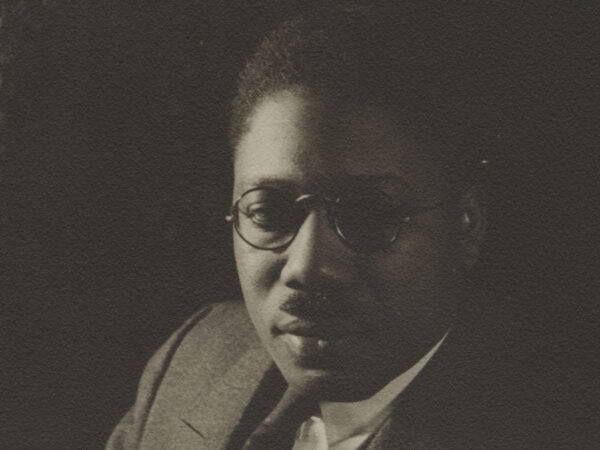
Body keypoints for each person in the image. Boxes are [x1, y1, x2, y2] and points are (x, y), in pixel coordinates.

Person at [107, 4, 529, 449]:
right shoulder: (196, 358)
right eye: (269, 213)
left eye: (369, 215)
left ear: (466, 226)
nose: (308, 268)